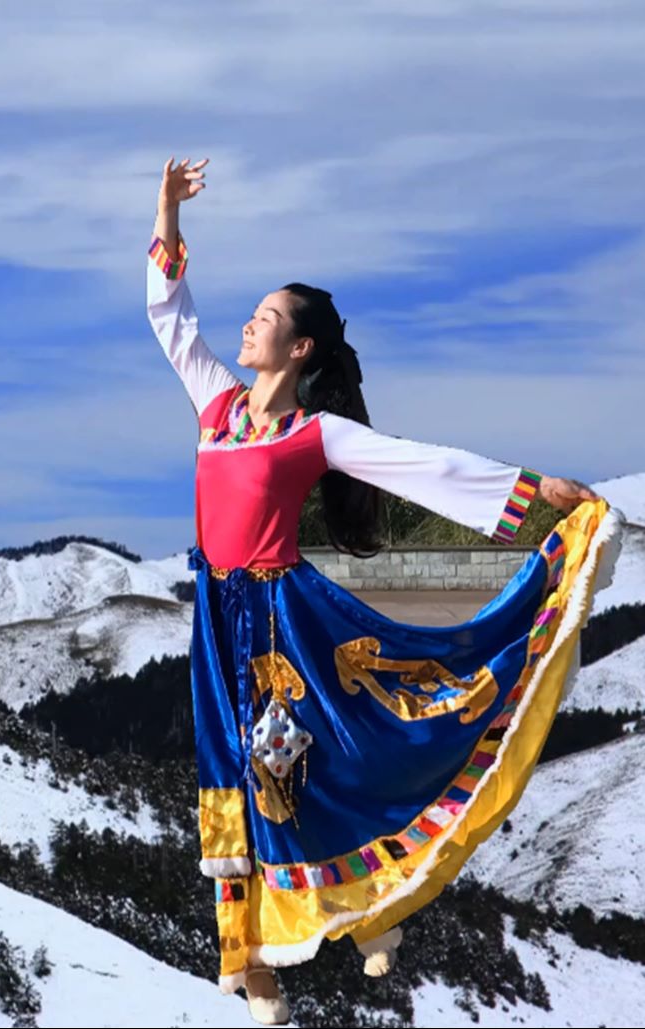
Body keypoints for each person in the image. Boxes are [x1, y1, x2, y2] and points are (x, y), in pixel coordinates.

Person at [147, 157, 624, 1025]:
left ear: (299, 348)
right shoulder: (217, 409)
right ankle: (251, 959)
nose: (245, 329)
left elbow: (424, 468)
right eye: (249, 317)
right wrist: (167, 212)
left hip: (286, 613)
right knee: (233, 775)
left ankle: (376, 903)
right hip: (219, 621)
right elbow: (168, 315)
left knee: (328, 751)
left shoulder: (313, 432)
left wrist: (534, 488)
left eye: (263, 321)